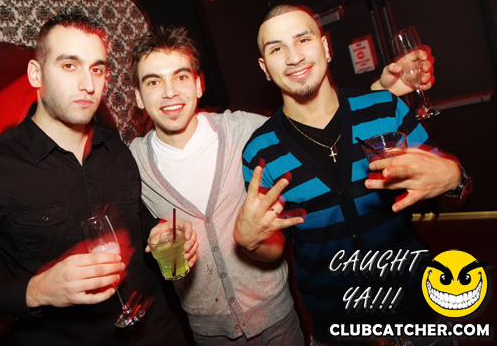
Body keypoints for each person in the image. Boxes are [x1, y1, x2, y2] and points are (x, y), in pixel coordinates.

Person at [128, 26, 435, 345]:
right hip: (207, 330)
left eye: (180, 76)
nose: (169, 92)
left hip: (278, 318)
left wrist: (376, 91)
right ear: (137, 96)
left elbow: (313, 125)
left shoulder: (245, 131)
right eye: (153, 82)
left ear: (198, 84)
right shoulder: (130, 164)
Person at [0, 13, 198, 346]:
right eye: (69, 66)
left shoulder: (117, 150)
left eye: (97, 69)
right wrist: (37, 290)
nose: (88, 84)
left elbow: (137, 222)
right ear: (36, 74)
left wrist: (157, 233)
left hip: (159, 334)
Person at [234, 5, 471, 345]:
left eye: (303, 39)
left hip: (419, 314)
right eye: (276, 48)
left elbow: (450, 195)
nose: (294, 57)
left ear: (326, 47)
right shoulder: (260, 151)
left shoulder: (385, 107)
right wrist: (251, 244)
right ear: (265, 68)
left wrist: (455, 178)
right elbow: (274, 247)